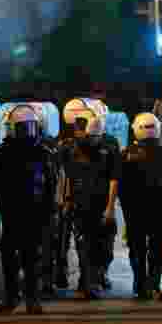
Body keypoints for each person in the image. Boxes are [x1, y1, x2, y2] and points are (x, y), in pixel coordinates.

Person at [0, 105, 56, 314]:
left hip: (34, 211)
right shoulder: (3, 152)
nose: (26, 132)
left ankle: (32, 299)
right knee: (10, 257)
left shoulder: (43, 152)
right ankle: (11, 297)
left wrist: (50, 208)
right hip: (11, 210)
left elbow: (50, 183)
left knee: (32, 257)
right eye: (22, 128)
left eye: (29, 127)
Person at [60, 105, 120, 300]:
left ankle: (97, 277)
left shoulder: (109, 147)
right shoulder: (72, 149)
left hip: (101, 205)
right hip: (80, 204)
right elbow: (68, 176)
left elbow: (114, 178)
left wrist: (110, 208)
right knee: (83, 246)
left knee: (103, 246)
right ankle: (88, 283)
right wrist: (67, 200)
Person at [120, 112, 162, 300]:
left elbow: (119, 183)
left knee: (136, 248)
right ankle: (154, 284)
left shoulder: (127, 153)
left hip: (134, 210)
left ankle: (140, 284)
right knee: (156, 247)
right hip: (158, 209)